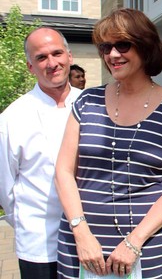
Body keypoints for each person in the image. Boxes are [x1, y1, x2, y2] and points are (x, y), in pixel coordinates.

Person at [55, 8, 162, 279]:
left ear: (145, 47)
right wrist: (81, 233)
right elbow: (63, 171)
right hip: (82, 247)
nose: (112, 54)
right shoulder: (87, 102)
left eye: (122, 44)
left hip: (146, 247)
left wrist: (134, 242)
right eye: (106, 47)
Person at [0, 27, 82, 279]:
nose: (52, 63)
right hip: (39, 244)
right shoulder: (12, 118)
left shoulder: (92, 105)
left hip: (91, 239)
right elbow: (6, 187)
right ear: (30, 67)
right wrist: (27, 223)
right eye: (41, 57)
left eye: (57, 53)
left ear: (69, 56)